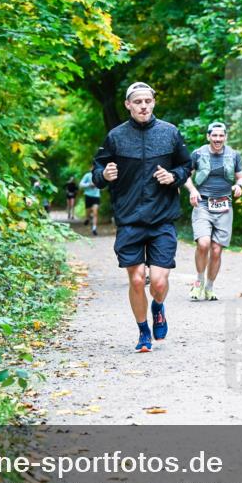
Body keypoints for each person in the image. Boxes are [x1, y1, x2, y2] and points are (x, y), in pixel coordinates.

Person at [91, 82, 192, 352]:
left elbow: (186, 164)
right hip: (129, 219)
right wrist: (104, 175)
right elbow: (97, 169)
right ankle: (143, 332)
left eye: (148, 101)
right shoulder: (116, 137)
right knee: (136, 280)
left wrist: (174, 177)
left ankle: (158, 307)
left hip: (162, 219)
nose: (144, 106)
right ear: (128, 105)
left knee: (158, 282)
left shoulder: (170, 133)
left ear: (154, 103)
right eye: (138, 102)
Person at [183, 121, 242, 301]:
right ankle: (199, 281)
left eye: (221, 136)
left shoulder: (234, 155)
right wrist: (193, 190)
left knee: (216, 250)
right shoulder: (198, 154)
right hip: (202, 204)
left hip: (224, 205)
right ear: (208, 136)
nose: (218, 139)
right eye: (214, 135)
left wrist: (239, 185)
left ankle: (210, 287)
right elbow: (186, 175)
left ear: (225, 137)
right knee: (203, 243)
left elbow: (241, 176)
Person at [79, 170, 101, 235]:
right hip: (88, 195)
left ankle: (94, 228)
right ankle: (87, 218)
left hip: (96, 196)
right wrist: (89, 184)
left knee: (95, 212)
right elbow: (80, 185)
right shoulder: (87, 175)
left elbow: (103, 184)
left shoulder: (99, 175)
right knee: (88, 212)